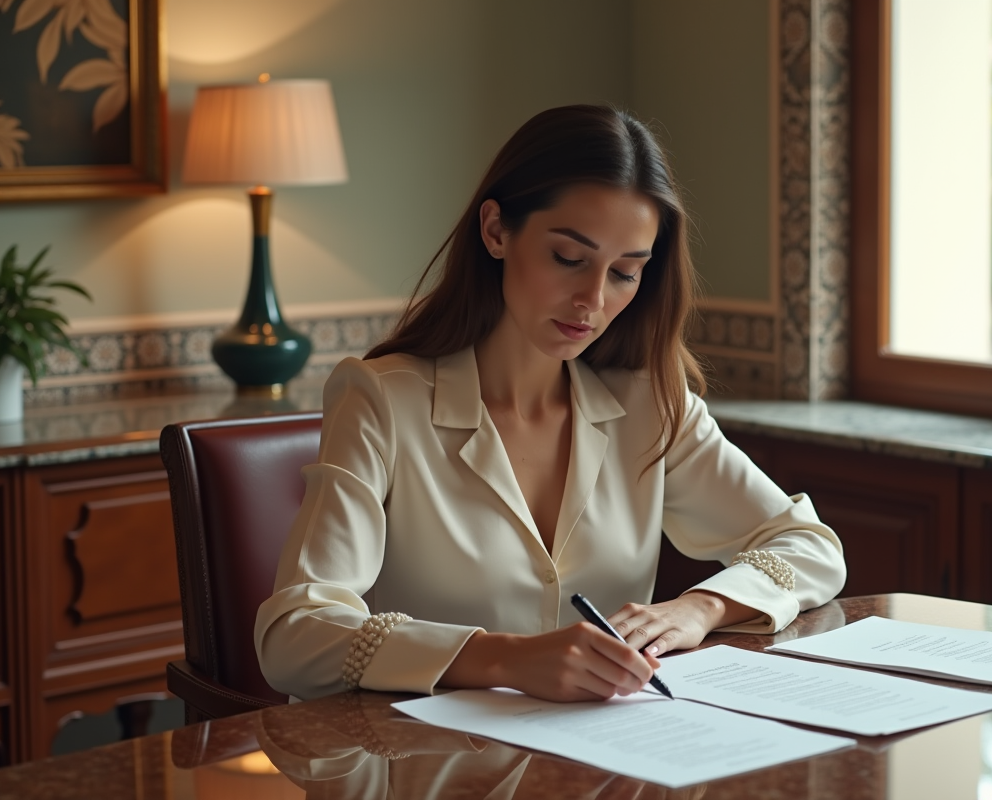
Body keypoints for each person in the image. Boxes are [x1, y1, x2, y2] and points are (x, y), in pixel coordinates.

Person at [254, 104, 845, 704]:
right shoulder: (381, 399)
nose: (592, 299)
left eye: (625, 272)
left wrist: (703, 606)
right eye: (569, 259)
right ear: (496, 231)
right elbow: (295, 636)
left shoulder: (650, 405)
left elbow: (810, 545)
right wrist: (503, 658)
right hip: (431, 767)